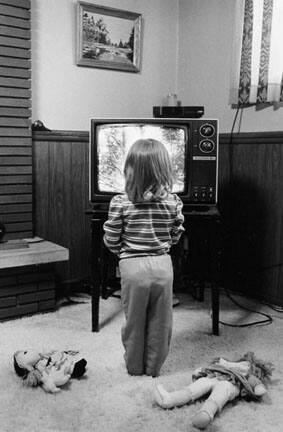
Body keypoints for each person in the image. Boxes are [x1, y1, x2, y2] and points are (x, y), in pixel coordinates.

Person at [103, 138, 185, 377]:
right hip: (162, 266)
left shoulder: (120, 202)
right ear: (164, 170)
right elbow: (176, 233)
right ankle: (153, 369)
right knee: (162, 322)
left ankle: (134, 367)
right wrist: (163, 245)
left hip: (132, 267)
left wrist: (121, 253)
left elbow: (111, 237)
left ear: (130, 170)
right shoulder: (173, 202)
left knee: (134, 320)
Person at [153, 351, 273, 429]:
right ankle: (169, 399)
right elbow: (210, 367)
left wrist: (258, 387)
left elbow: (257, 386)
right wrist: (201, 371)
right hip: (213, 376)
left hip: (231, 383)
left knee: (219, 395)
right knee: (195, 388)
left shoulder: (246, 374)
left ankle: (206, 414)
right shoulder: (223, 366)